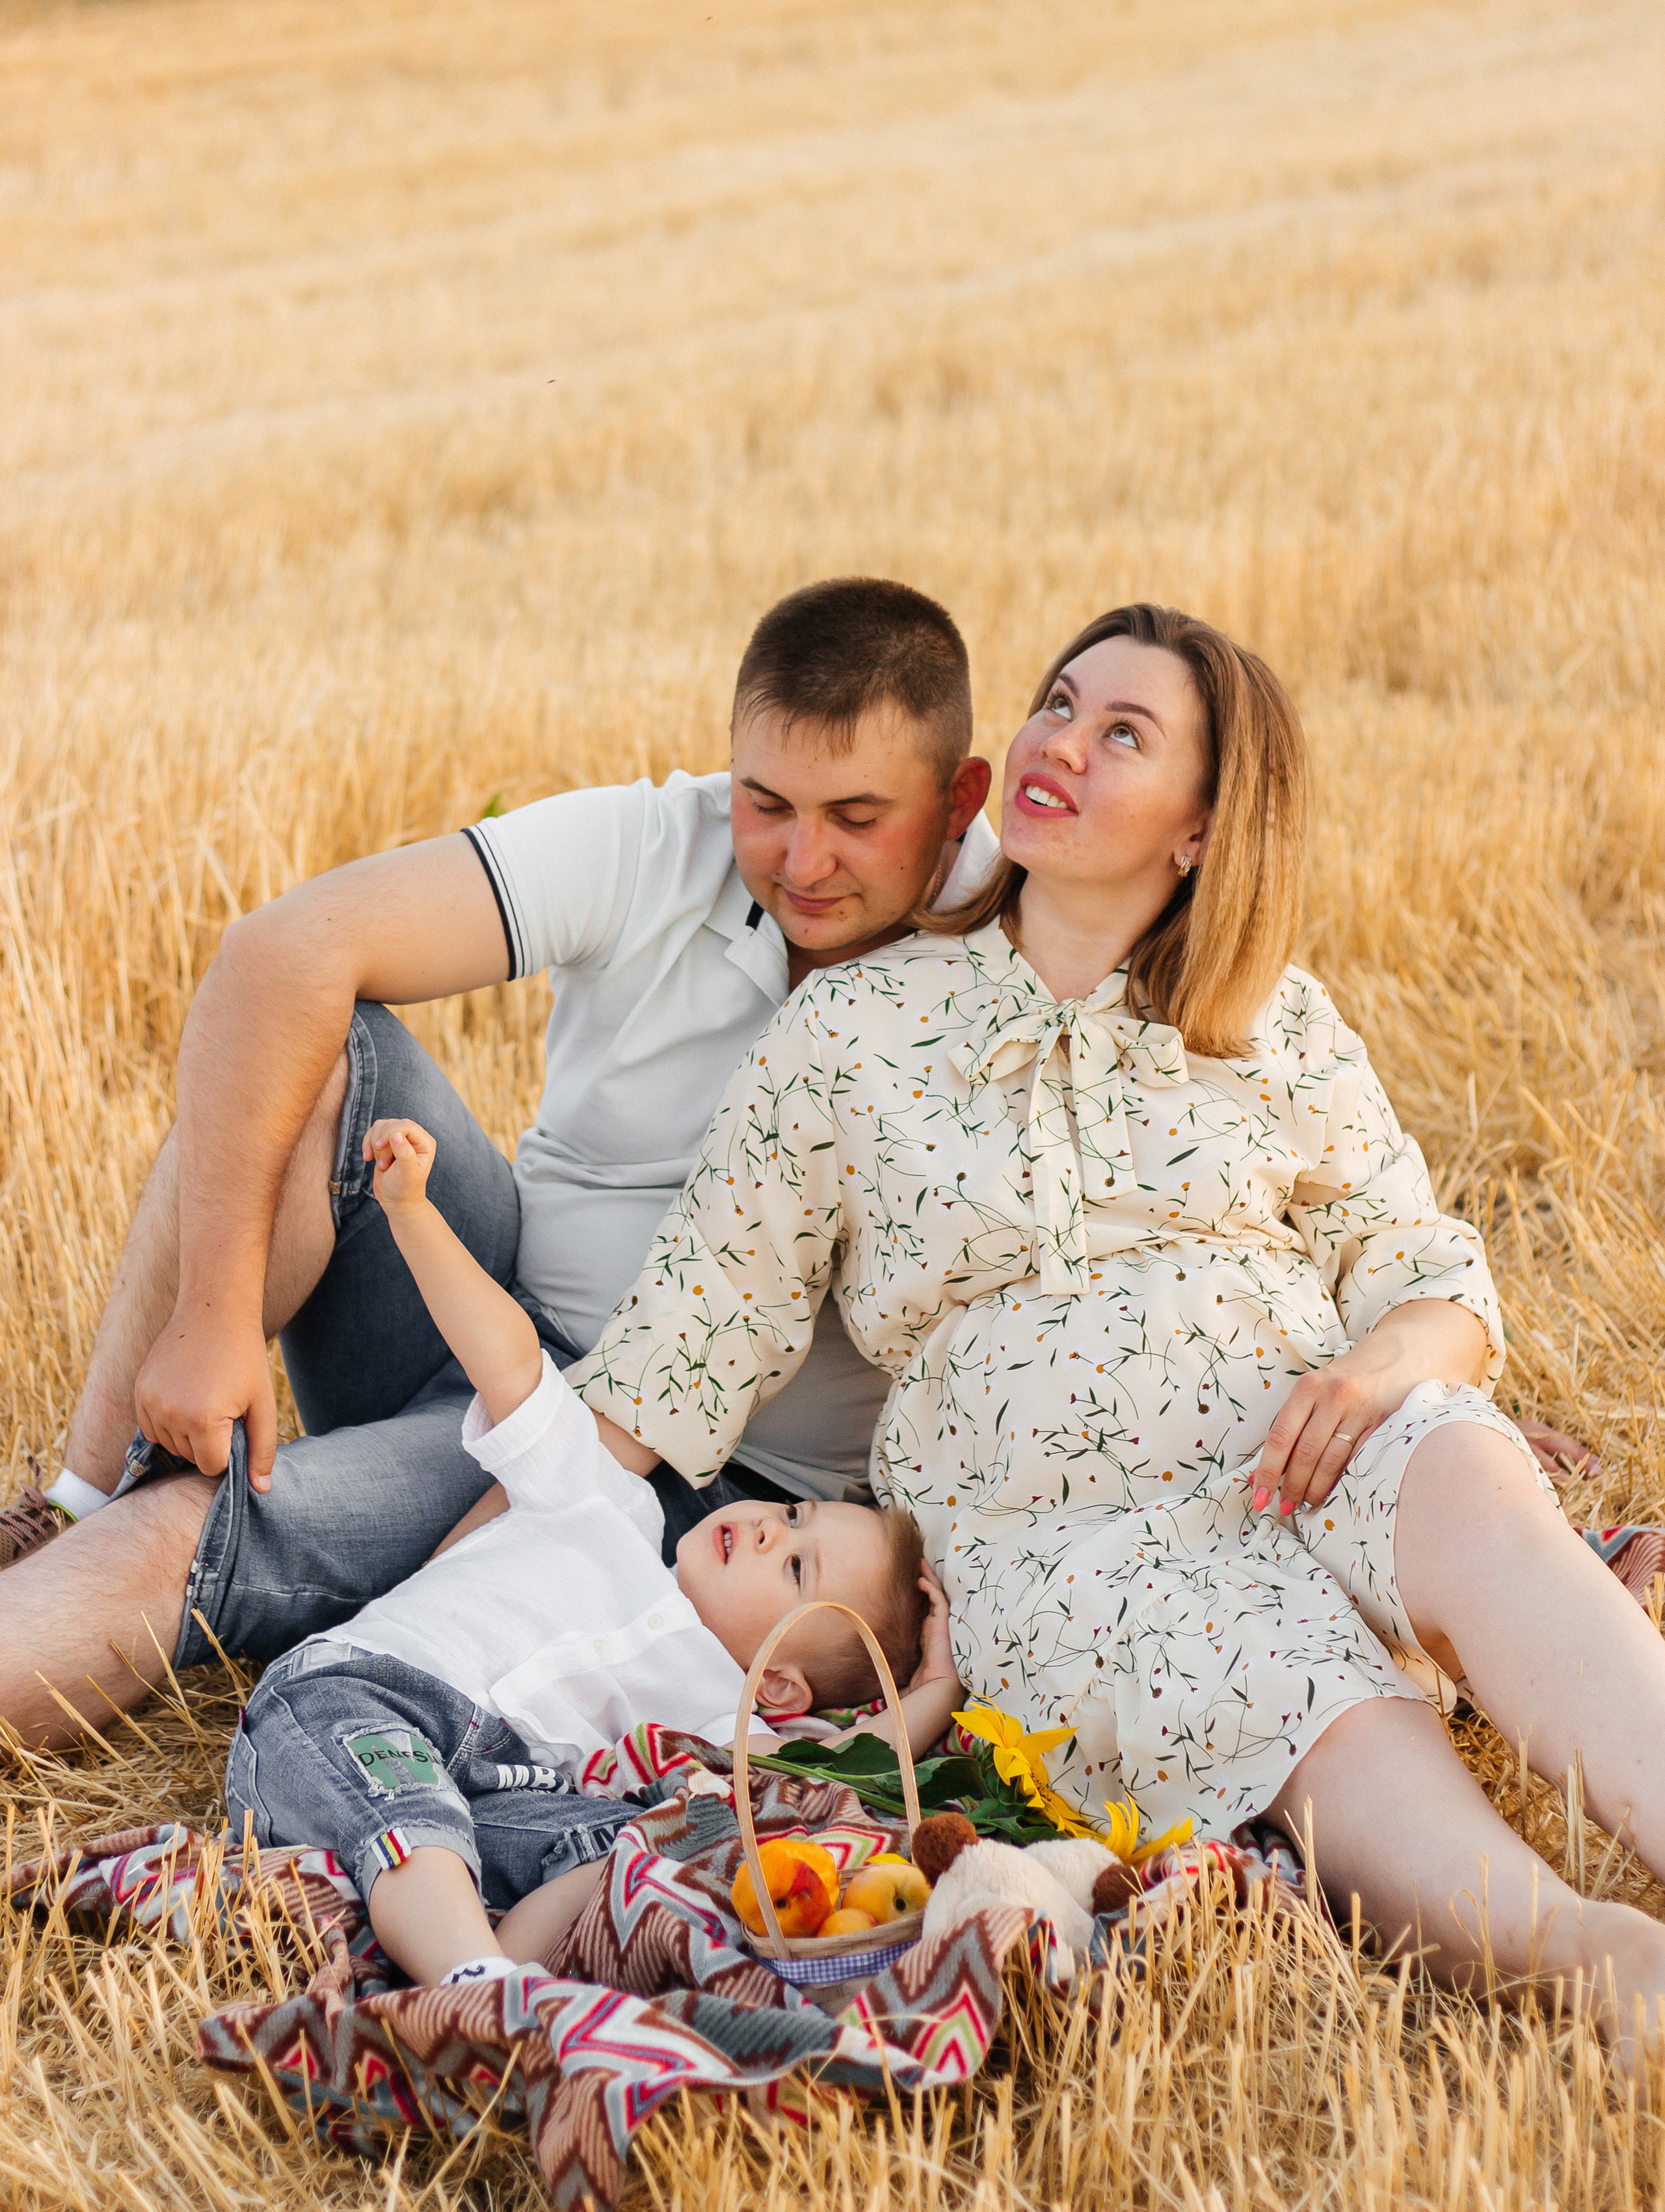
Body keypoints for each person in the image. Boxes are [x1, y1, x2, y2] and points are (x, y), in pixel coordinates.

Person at [564, 603, 1665, 2039]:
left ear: (1200, 827)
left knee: (1458, 1456)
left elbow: (1427, 1275)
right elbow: (677, 1349)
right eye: (1057, 705)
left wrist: (1382, 1366)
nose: (1058, 746)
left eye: (1121, 735)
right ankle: (1604, 1966)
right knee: (1253, 1668)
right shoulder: (851, 1033)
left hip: (1299, 1439)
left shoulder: (1273, 1022)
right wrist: (466, 1582)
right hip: (1053, 1542)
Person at [0, 578, 995, 1747]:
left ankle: (200, 1542)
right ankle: (72, 1501)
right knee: (318, 1055)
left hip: (691, 1481)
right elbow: (282, 953)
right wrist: (215, 1316)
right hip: (487, 1313)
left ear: (957, 797)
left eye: (857, 816)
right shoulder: (659, 840)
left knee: (192, 1526)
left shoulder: (1015, 952)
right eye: (766, 802)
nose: (801, 858)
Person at [226, 1114, 955, 1993]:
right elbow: (510, 1365)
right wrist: (413, 1212)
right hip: (364, 1694)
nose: (770, 1528)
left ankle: (515, 1983)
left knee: (612, 1851)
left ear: (781, 1687)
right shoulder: (603, 1504)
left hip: (503, 1787)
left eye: (797, 1566)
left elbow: (845, 1764)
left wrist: (937, 1691)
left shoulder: (737, 1724)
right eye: (794, 1513)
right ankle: (476, 1986)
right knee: (408, 1805)